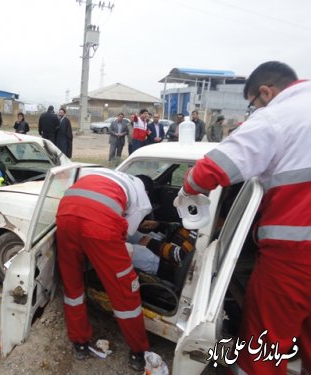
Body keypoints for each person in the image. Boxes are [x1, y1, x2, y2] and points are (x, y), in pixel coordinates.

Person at [177, 61, 311, 375]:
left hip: (296, 255)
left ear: (266, 91)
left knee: (265, 348)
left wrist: (186, 190)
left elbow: (210, 171)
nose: (254, 110)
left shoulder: (278, 116)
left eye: (253, 103)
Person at [56, 169, 163, 372]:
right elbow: (123, 236)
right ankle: (138, 351)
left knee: (72, 284)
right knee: (124, 290)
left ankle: (79, 342)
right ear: (147, 191)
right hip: (99, 225)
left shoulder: (110, 175)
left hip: (65, 214)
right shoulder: (143, 199)